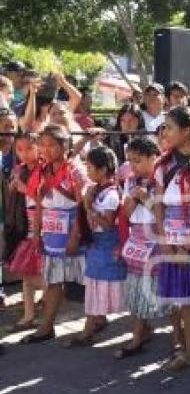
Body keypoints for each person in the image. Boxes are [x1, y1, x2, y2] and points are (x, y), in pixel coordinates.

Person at [153, 106, 190, 372]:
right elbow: (158, 204)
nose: (164, 132)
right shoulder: (163, 165)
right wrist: (164, 238)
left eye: (169, 127)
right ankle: (189, 352)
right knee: (186, 299)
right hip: (172, 235)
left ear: (187, 130)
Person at [21, 125, 90, 344]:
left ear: (65, 146)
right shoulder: (41, 171)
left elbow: (82, 204)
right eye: (42, 144)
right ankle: (46, 326)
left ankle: (94, 321)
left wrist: (75, 235)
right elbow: (39, 202)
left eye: (51, 145)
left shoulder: (74, 169)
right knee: (53, 280)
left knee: (86, 279)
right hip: (51, 233)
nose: (45, 149)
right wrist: (37, 232)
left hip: (72, 229)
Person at [114, 136, 174, 358]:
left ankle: (178, 338)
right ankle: (139, 335)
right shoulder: (131, 181)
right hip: (138, 238)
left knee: (162, 287)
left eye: (138, 160)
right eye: (130, 161)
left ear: (153, 157)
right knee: (137, 288)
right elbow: (127, 214)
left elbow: (163, 215)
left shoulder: (163, 180)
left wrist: (146, 198)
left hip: (157, 238)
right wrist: (132, 198)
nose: (133, 166)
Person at [70, 146, 127, 346]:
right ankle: (97, 320)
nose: (87, 171)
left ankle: (88, 330)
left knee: (97, 284)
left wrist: (88, 208)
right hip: (98, 245)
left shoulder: (111, 194)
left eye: (91, 168)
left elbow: (108, 223)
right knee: (95, 285)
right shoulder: (96, 190)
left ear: (103, 170)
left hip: (106, 245)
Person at [6, 132, 44, 332]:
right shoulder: (19, 169)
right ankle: (28, 315)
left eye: (29, 148)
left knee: (29, 272)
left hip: (41, 225)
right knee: (26, 272)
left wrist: (23, 189)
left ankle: (53, 293)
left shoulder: (44, 169)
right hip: (24, 226)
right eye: (20, 149)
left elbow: (45, 200)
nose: (25, 154)